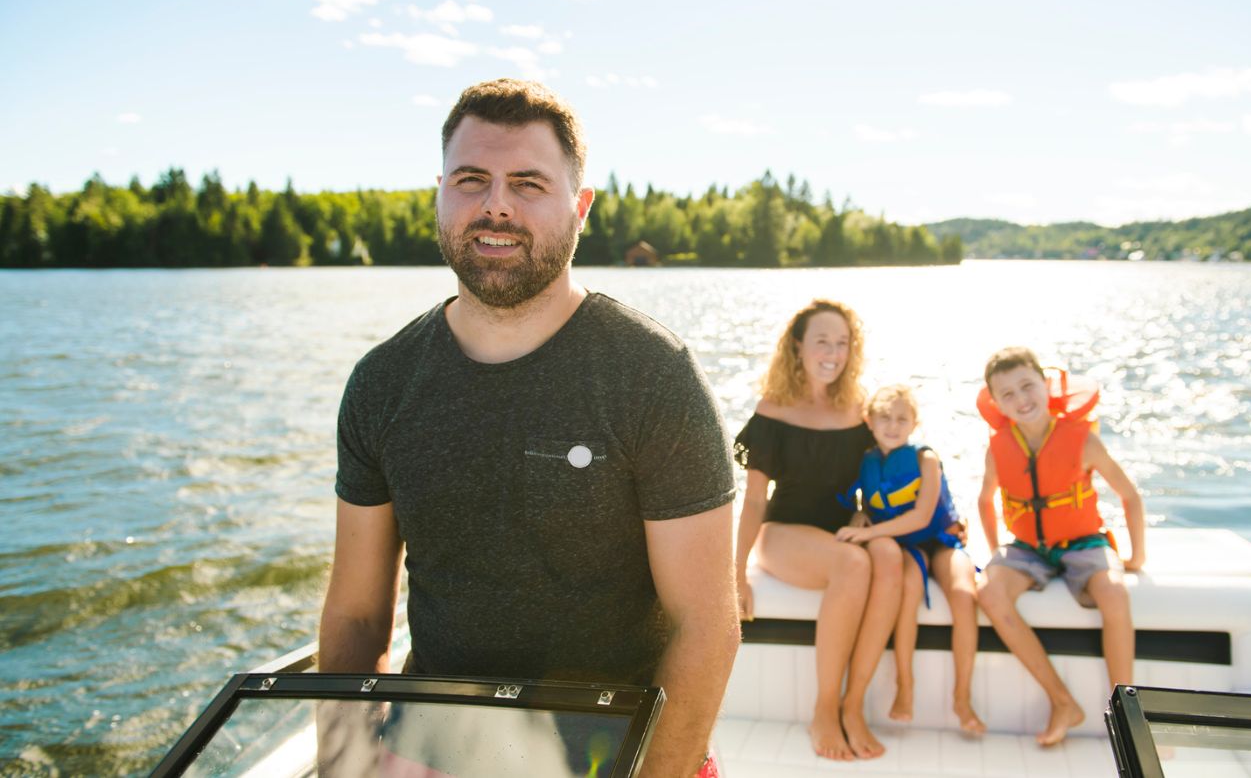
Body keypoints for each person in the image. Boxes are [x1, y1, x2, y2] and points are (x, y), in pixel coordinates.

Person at [318, 78, 740, 778]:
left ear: (580, 207)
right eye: (472, 179)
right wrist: (345, 764)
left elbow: (706, 625)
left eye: (528, 184)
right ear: (440, 193)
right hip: (436, 752)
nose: (496, 206)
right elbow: (358, 617)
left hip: (615, 753)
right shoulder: (381, 383)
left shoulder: (652, 375)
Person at [733, 299, 900, 761]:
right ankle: (824, 708)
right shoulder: (774, 409)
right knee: (852, 561)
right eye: (822, 341)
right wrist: (737, 572)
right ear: (799, 346)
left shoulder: (860, 411)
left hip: (841, 534)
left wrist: (871, 516)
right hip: (783, 532)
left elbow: (884, 477)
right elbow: (752, 500)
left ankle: (853, 704)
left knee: (887, 557)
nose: (832, 352)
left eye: (842, 343)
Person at [974, 347, 1146, 747]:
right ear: (996, 403)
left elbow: (1129, 496)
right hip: (1027, 547)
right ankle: (1062, 701)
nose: (1021, 399)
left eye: (1027, 386)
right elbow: (985, 500)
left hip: (1083, 542)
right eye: (1008, 394)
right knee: (990, 592)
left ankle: (1126, 713)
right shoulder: (998, 447)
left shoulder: (1082, 440)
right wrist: (995, 549)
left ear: (1046, 385)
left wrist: (1137, 557)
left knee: (1116, 594)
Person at [833, 384, 985, 735]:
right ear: (869, 421)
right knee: (908, 590)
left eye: (902, 418)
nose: (892, 425)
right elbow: (854, 502)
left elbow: (921, 516)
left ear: (914, 423)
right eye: (884, 417)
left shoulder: (924, 457)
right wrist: (859, 516)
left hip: (941, 540)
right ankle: (905, 685)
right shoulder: (867, 461)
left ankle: (962, 698)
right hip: (905, 547)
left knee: (964, 594)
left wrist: (868, 534)